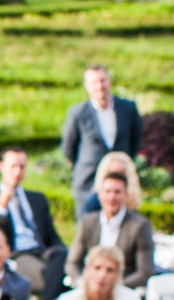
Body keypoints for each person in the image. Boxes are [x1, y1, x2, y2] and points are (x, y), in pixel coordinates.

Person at [59, 64, 142, 216]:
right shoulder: (77, 113)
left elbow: (135, 140)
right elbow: (68, 149)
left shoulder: (128, 108)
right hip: (88, 183)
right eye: (94, 82)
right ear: (87, 86)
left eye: (102, 80)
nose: (100, 86)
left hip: (120, 183)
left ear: (109, 81)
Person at [66, 156, 155, 289]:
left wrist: (113, 288)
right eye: (107, 192)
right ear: (99, 195)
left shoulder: (139, 226)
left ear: (126, 195)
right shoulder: (88, 221)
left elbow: (145, 272)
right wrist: (83, 282)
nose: (112, 197)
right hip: (88, 289)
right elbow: (72, 263)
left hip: (122, 290)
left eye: (117, 192)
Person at [0, 145, 64, 300]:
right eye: (13, 167)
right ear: (1, 167)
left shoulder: (37, 199)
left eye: (22, 167)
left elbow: (51, 235)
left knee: (62, 256)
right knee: (54, 279)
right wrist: (1, 208)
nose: (18, 172)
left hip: (42, 250)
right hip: (18, 254)